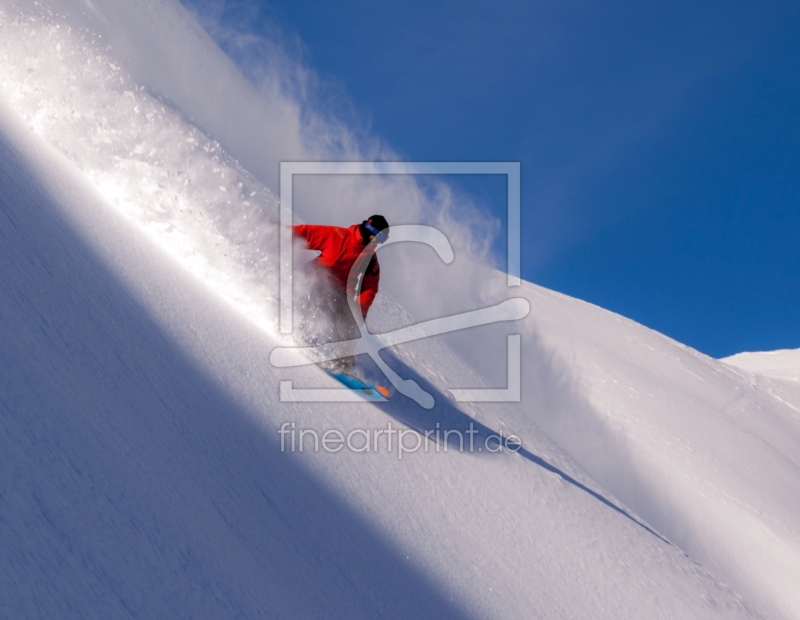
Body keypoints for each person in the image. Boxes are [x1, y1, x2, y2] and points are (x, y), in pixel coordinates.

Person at [293, 215, 390, 370]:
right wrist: (277, 234)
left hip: (339, 293)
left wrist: (361, 310)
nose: (379, 242)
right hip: (314, 278)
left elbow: (370, 288)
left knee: (347, 318)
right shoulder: (338, 236)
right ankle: (297, 332)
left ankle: (341, 363)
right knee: (313, 292)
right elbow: (305, 233)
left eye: (384, 239)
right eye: (379, 236)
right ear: (369, 230)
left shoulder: (370, 260)